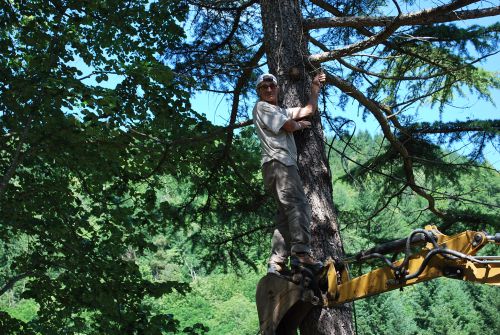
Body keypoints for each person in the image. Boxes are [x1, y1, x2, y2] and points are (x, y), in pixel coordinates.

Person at [252, 72, 326, 274]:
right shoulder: (263, 107)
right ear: (258, 91)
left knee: (285, 216)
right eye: (264, 87)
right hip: (279, 163)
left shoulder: (280, 110)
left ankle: (276, 263)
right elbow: (288, 125)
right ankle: (301, 255)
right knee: (298, 206)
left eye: (272, 86)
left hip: (278, 166)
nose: (269, 89)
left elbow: (309, 110)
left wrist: (314, 89)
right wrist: (299, 125)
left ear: (277, 88)